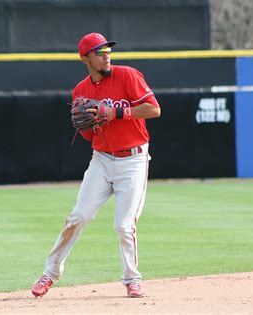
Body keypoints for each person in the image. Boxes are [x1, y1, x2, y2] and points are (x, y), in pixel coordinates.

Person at [31, 32, 161, 298]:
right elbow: (90, 135)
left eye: (107, 50)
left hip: (134, 160)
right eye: (99, 52)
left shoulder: (127, 75)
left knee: (124, 225)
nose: (106, 55)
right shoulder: (81, 90)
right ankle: (49, 273)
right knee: (78, 217)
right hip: (101, 160)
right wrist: (88, 125)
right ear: (85, 58)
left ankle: (132, 279)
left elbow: (153, 109)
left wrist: (115, 113)